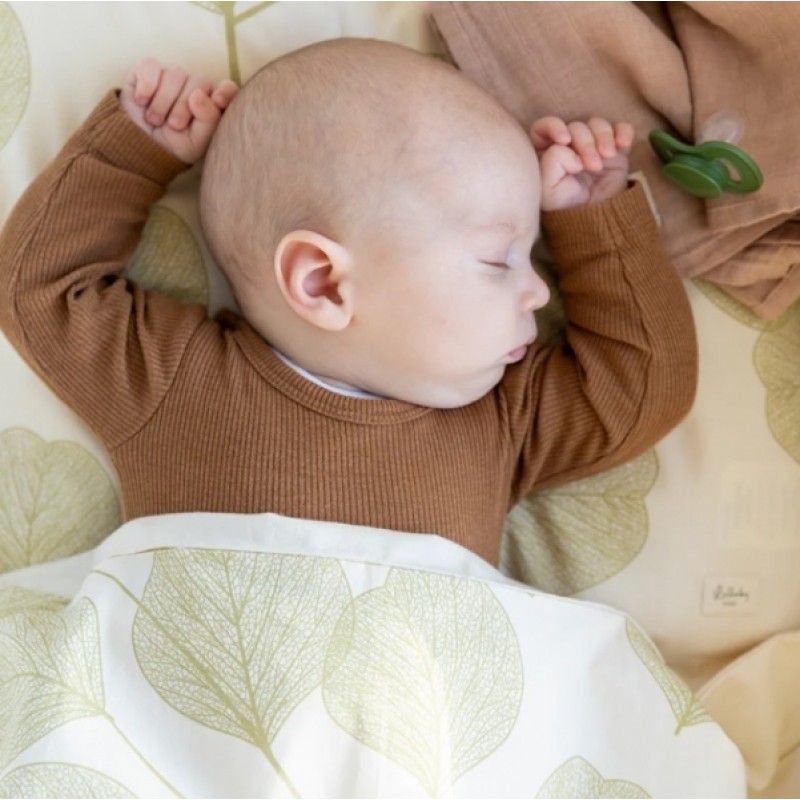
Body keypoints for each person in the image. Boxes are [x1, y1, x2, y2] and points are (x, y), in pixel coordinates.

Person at [0, 38, 697, 566]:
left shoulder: (501, 419)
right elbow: (39, 288)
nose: (539, 290)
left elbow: (640, 390)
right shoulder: (175, 379)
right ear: (323, 283)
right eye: (497, 260)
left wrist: (593, 225)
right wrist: (131, 154)